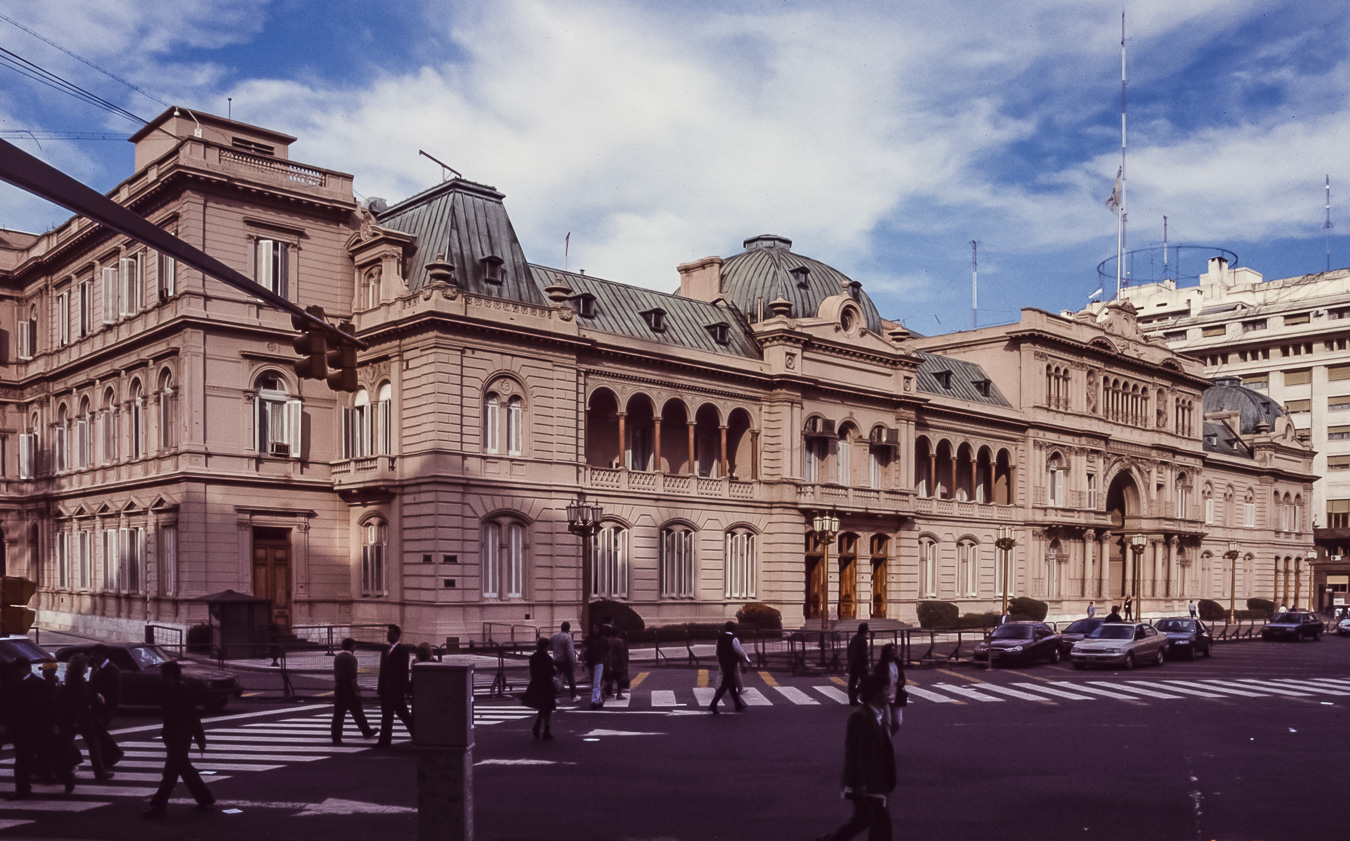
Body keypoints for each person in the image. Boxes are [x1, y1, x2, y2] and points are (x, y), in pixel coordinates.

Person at [813, 674, 896, 841]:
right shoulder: (860, 717)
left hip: (877, 781)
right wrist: (859, 784)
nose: (889, 693)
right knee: (870, 822)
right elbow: (853, 753)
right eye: (886, 690)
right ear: (875, 693)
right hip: (867, 783)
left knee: (868, 822)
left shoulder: (877, 715)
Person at [143, 661, 214, 818]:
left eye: (162, 673)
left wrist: (200, 738)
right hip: (175, 736)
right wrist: (200, 739)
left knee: (170, 773)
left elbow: (193, 717)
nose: (160, 676)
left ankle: (159, 806)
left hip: (180, 736)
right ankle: (205, 798)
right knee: (184, 769)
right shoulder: (168, 690)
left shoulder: (180, 692)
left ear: (169, 675)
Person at [62, 654, 113, 783]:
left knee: (67, 743)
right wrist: (95, 696)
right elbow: (79, 700)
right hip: (81, 717)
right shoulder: (77, 681)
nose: (87, 667)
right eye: (86, 665)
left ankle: (64, 768)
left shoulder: (73, 679)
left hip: (77, 717)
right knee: (93, 745)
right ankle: (99, 773)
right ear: (81, 667)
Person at [4, 658, 40, 800]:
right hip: (22, 729)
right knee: (23, 760)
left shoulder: (37, 685)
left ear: (23, 668)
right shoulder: (17, 684)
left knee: (29, 758)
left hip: (32, 728)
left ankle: (66, 775)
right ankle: (23, 789)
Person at [376, 624, 414, 747]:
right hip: (385, 690)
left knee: (404, 716)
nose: (388, 635)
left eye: (390, 633)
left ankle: (417, 735)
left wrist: (403, 689)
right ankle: (384, 741)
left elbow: (403, 671)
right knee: (386, 717)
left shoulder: (402, 651)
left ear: (397, 635)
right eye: (388, 633)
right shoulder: (385, 650)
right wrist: (380, 687)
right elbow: (382, 671)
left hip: (396, 690)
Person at [331, 637, 375, 744]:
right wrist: (356, 691)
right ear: (351, 646)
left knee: (338, 714)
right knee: (358, 712)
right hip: (349, 688)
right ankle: (366, 731)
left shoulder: (337, 657)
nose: (355, 647)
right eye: (354, 645)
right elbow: (353, 677)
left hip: (339, 687)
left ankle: (336, 736)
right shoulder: (352, 659)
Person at [89, 645, 124, 768]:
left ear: (102, 655)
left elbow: (115, 692)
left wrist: (110, 709)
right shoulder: (95, 668)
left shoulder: (112, 669)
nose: (92, 657)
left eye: (94, 655)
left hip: (105, 708)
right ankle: (109, 757)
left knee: (100, 733)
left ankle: (113, 755)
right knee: (100, 733)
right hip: (96, 707)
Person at [709, 621, 751, 714]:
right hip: (731, 663)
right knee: (725, 684)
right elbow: (739, 650)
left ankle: (737, 704)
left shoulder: (720, 638)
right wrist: (747, 659)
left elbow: (716, 650)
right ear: (734, 629)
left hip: (723, 662)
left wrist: (718, 658)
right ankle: (713, 704)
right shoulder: (734, 639)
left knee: (731, 685)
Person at [521, 638, 557, 739]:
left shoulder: (533, 658)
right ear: (546, 646)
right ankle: (545, 730)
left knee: (543, 707)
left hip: (536, 684)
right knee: (548, 708)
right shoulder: (547, 658)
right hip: (546, 685)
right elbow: (551, 673)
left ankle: (539, 726)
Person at [871, 643, 906, 735]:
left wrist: (901, 682)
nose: (894, 652)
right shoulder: (880, 666)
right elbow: (876, 680)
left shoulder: (898, 663)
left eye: (895, 650)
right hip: (885, 697)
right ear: (886, 652)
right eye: (891, 650)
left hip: (897, 696)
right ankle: (886, 744)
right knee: (887, 723)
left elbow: (902, 677)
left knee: (897, 723)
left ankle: (885, 739)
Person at [550, 621, 578, 701]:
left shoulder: (554, 636)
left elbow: (550, 646)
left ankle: (554, 697)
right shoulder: (567, 637)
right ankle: (573, 696)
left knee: (556, 678)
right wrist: (573, 662)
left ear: (561, 627)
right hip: (565, 661)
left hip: (556, 660)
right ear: (569, 629)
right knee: (570, 679)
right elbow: (570, 652)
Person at [584, 624, 608, 709]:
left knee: (596, 682)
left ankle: (594, 700)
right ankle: (599, 700)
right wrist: (584, 661)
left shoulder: (603, 640)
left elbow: (606, 653)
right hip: (591, 662)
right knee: (594, 683)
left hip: (599, 662)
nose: (594, 630)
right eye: (593, 628)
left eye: (596, 628)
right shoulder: (589, 639)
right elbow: (585, 651)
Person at [846, 623, 870, 705]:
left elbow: (849, 650)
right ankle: (855, 694)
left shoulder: (854, 638)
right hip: (860, 663)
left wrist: (850, 660)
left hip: (853, 662)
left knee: (853, 681)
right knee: (866, 680)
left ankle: (852, 699)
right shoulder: (862, 640)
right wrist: (867, 663)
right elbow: (863, 654)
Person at [605, 625, 630, 701]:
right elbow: (621, 654)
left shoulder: (607, 640)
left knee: (609, 678)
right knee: (619, 678)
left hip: (607, 661)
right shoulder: (619, 641)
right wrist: (624, 665)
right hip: (616, 661)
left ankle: (609, 692)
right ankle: (619, 694)